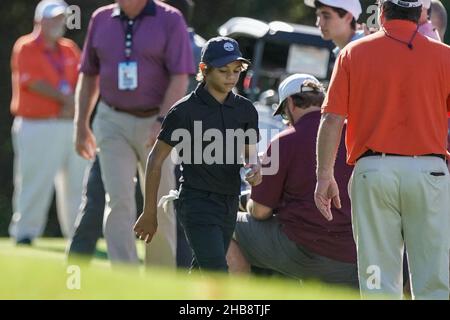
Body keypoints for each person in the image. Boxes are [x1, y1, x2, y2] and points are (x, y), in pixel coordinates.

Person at [315, 0, 450, 299]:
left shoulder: (354, 51)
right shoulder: (446, 56)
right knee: (434, 279)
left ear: (382, 11)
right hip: (430, 173)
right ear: (421, 14)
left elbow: (332, 117)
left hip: (373, 172)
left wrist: (324, 175)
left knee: (377, 278)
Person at [74, 0, 195, 265]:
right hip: (111, 119)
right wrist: (81, 123)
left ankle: (159, 279)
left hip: (157, 120)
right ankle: (124, 277)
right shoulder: (100, 18)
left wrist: (164, 120)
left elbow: (180, 76)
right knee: (118, 201)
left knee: (159, 203)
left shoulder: (170, 18)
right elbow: (88, 75)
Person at [134, 37, 261, 273]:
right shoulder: (184, 110)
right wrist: (149, 211)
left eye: (236, 71)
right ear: (204, 70)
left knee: (202, 269)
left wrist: (255, 169)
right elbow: (156, 159)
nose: (231, 77)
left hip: (230, 201)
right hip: (196, 202)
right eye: (223, 71)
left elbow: (250, 154)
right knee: (216, 271)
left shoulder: (245, 110)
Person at [226, 74, 358, 287]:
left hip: (305, 250)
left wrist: (248, 198)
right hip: (353, 257)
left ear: (289, 103)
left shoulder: (283, 141)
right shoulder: (354, 132)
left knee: (216, 220)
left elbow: (260, 211)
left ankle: (239, 300)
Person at [9, 0, 87, 245]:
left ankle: (77, 236)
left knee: (77, 183)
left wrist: (73, 104)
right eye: (52, 18)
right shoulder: (26, 46)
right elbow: (32, 81)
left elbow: (83, 80)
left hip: (69, 125)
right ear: (39, 20)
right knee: (34, 181)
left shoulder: (69, 48)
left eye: (61, 17)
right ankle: (24, 234)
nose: (57, 22)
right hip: (37, 124)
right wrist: (68, 100)